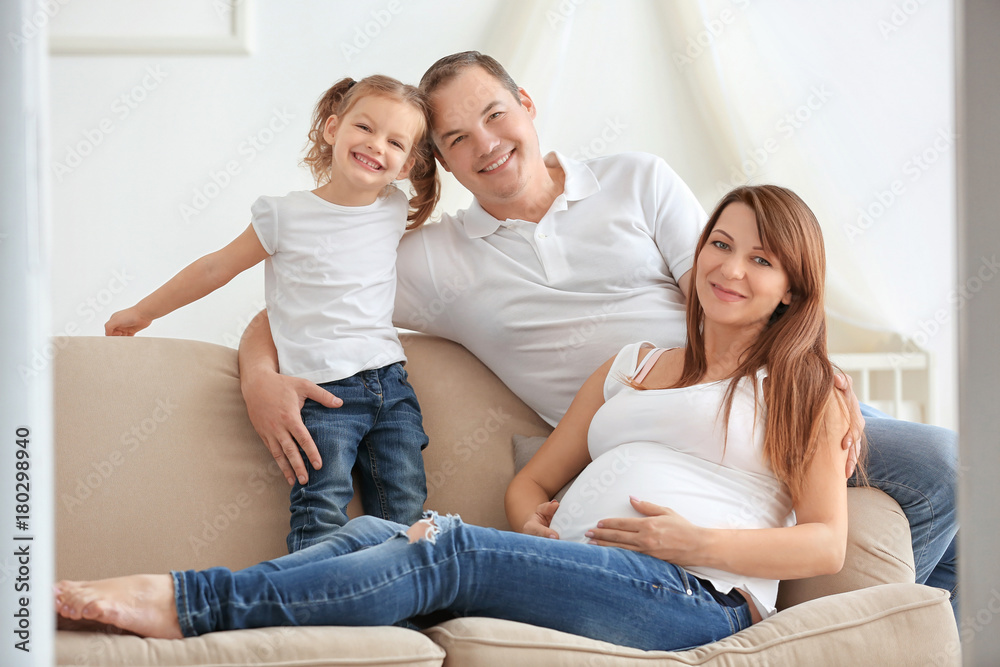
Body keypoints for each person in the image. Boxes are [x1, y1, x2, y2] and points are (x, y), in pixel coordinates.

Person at [238, 52, 958, 616]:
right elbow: (305, 293)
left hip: (753, 408)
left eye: (494, 114)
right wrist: (259, 375)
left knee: (953, 472)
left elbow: (731, 287)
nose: (486, 144)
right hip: (635, 439)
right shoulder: (435, 260)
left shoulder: (635, 179)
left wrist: (810, 363)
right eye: (457, 138)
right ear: (442, 162)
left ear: (526, 104)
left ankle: (886, 632)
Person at [56, 185, 856, 651]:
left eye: (761, 259)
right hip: (589, 571)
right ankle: (186, 601)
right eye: (721, 243)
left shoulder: (804, 387)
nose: (730, 268)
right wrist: (535, 523)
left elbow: (826, 537)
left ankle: (184, 604)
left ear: (791, 287)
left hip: (690, 592)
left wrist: (698, 544)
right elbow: (535, 480)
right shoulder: (631, 364)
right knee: (375, 534)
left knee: (442, 546)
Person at [103, 75, 441, 553]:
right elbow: (215, 267)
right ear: (331, 129)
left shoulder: (393, 207)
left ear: (406, 164)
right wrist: (143, 311)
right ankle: (307, 612)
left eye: (394, 142)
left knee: (406, 510)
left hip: (392, 384)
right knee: (322, 504)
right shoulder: (283, 215)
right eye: (364, 127)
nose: (374, 145)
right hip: (321, 390)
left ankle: (403, 615)